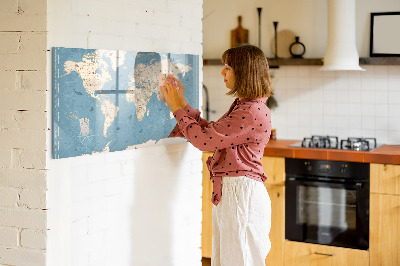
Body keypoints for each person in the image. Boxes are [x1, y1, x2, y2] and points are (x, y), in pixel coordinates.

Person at [161, 44, 273, 266]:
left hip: (241, 195)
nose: (222, 72)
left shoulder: (250, 111)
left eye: (228, 67)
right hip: (236, 193)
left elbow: (204, 141)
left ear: (244, 72)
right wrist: (182, 103)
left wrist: (176, 108)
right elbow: (212, 133)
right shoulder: (246, 106)